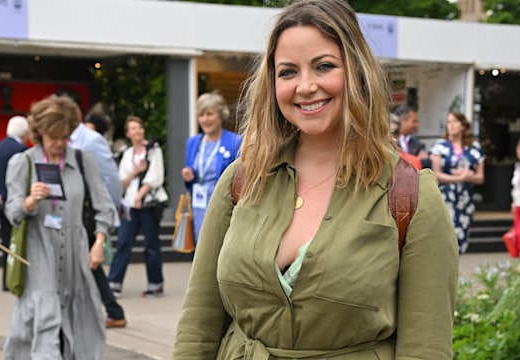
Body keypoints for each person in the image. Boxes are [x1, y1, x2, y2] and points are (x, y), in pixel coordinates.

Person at [173, 0, 459, 358]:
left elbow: (425, 349)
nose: (305, 86)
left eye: (323, 66)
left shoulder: (409, 197)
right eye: (288, 72)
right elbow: (198, 324)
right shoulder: (242, 181)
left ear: (357, 71)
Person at [3, 94, 116, 359]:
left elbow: (104, 206)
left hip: (77, 254)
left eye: (65, 136)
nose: (59, 143)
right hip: (38, 252)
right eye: (54, 137)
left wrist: (99, 243)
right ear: (39, 132)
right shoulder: (24, 162)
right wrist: (30, 202)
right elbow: (12, 211)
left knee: (85, 324)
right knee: (44, 322)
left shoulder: (82, 160)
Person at [70, 111, 127, 328]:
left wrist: (111, 209)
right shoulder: (61, 141)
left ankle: (113, 310)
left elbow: (111, 178)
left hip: (89, 213)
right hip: (68, 213)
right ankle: (110, 309)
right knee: (87, 263)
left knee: (90, 261)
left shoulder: (92, 140)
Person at [108, 115, 168, 298]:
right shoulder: (127, 155)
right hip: (130, 204)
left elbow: (156, 177)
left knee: (151, 243)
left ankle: (155, 283)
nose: (137, 131)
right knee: (124, 241)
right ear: (127, 133)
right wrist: (136, 171)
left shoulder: (153, 150)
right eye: (133, 128)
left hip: (148, 203)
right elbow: (122, 182)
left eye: (139, 127)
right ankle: (114, 282)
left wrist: (140, 195)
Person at [181, 91, 242, 243]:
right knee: (200, 250)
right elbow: (191, 176)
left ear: (221, 115)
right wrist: (188, 176)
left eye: (209, 114)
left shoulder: (235, 142)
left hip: (222, 205)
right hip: (198, 206)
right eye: (201, 115)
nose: (205, 119)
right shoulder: (193, 142)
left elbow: (241, 177)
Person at [429, 111, 485, 254]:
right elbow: (435, 174)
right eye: (448, 122)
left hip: (464, 200)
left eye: (455, 122)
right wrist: (460, 177)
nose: (451, 125)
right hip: (445, 198)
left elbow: (480, 177)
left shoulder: (473, 148)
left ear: (463, 125)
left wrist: (468, 177)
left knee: (461, 238)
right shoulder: (439, 146)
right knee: (444, 238)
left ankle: (455, 273)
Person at [0, 115, 29, 292]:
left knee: (6, 240)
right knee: (16, 241)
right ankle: (13, 278)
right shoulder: (23, 150)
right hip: (16, 203)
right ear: (24, 132)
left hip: (0, 202)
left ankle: (5, 282)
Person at [393, 104, 431, 168]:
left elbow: (427, 162)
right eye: (414, 121)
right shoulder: (390, 140)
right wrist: (416, 160)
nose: (417, 125)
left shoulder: (415, 142)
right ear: (403, 121)